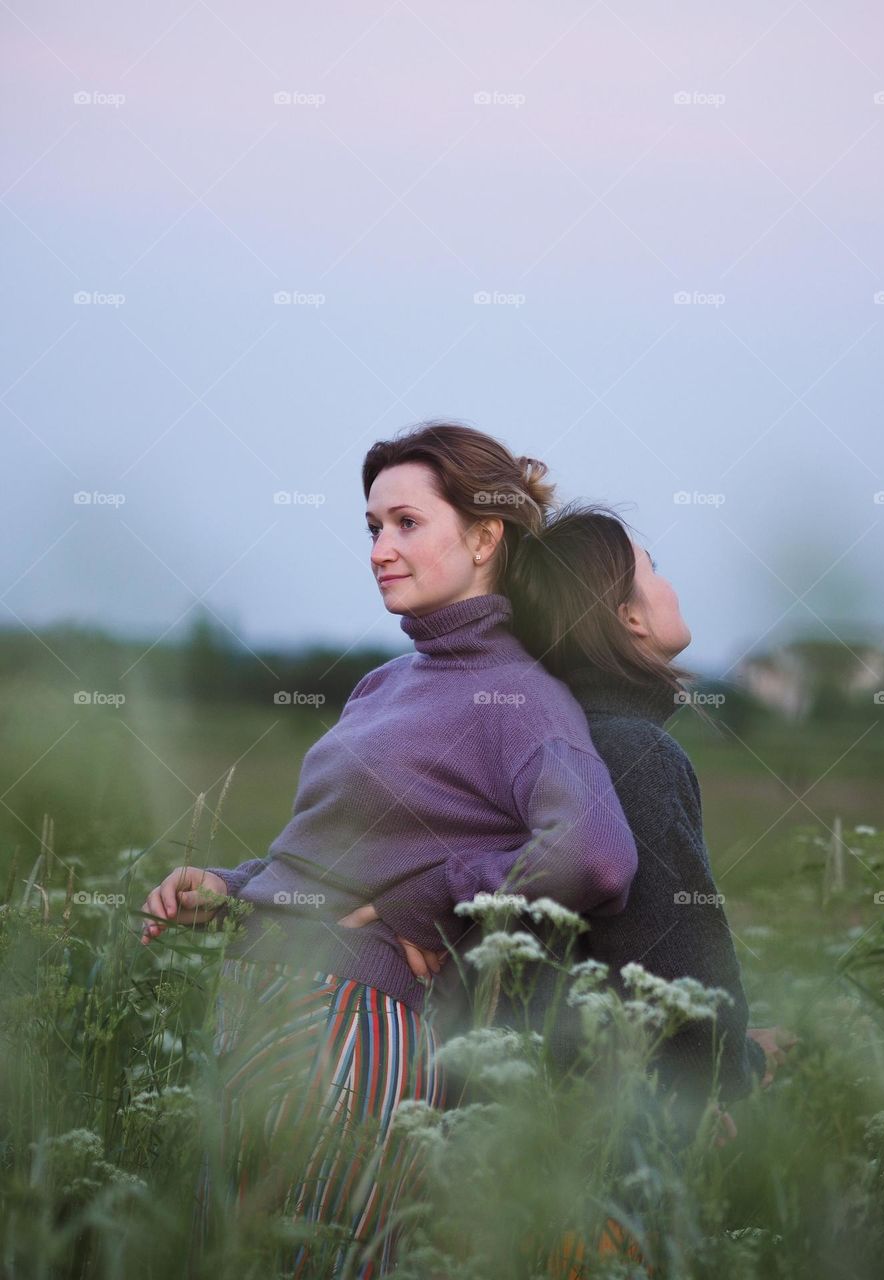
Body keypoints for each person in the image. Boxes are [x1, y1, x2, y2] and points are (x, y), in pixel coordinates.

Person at [138, 424, 640, 1278]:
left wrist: (438, 897)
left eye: (407, 523)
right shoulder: (387, 682)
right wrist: (227, 888)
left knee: (317, 1264)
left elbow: (597, 854)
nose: (380, 549)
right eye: (372, 527)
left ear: (486, 537)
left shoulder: (518, 696)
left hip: (353, 1026)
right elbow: (337, 862)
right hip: (259, 1010)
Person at [434, 502, 798, 1158]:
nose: (670, 585)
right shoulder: (634, 754)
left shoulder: (550, 745)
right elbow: (672, 961)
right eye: (653, 570)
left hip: (511, 1118)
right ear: (627, 617)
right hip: (594, 1139)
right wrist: (732, 1070)